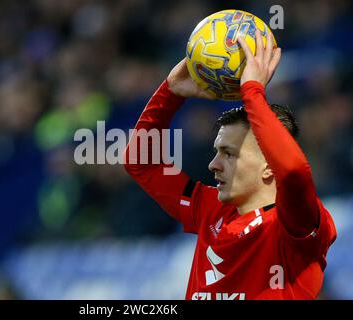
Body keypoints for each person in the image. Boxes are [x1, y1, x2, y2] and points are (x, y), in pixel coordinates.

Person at [123, 30, 337, 300]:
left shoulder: (296, 225)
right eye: (217, 152)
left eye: (229, 153)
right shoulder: (210, 209)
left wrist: (252, 91)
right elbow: (141, 162)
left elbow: (294, 171)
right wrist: (169, 94)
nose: (213, 165)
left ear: (269, 165)